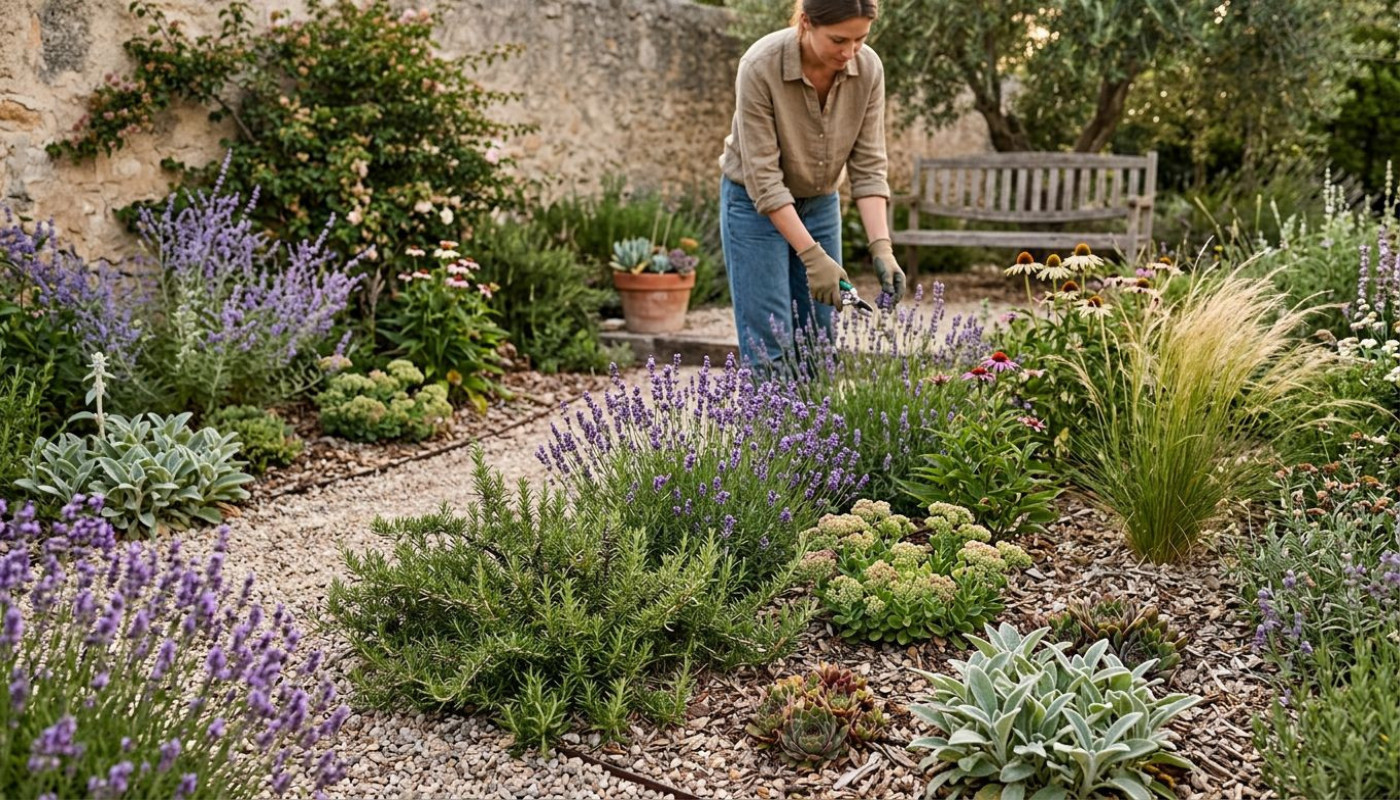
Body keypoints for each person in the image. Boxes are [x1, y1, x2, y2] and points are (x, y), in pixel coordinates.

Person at [719, 0, 905, 371]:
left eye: (860, 39)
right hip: (754, 206)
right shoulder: (760, 66)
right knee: (770, 347)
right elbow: (765, 181)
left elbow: (868, 167)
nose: (850, 52)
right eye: (838, 40)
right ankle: (772, 430)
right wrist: (811, 255)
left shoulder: (868, 68)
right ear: (805, 22)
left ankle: (814, 429)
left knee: (819, 341)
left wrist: (881, 247)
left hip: (820, 203)